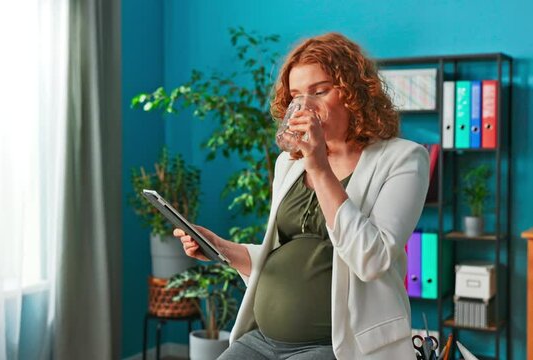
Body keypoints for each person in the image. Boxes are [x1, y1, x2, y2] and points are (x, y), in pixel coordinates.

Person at [173, 32, 429, 359]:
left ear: (354, 92)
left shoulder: (403, 159)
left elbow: (372, 258)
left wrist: (320, 167)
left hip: (339, 346)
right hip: (262, 340)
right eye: (296, 95)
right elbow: (283, 254)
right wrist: (221, 248)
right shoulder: (289, 163)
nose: (304, 106)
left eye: (319, 91)